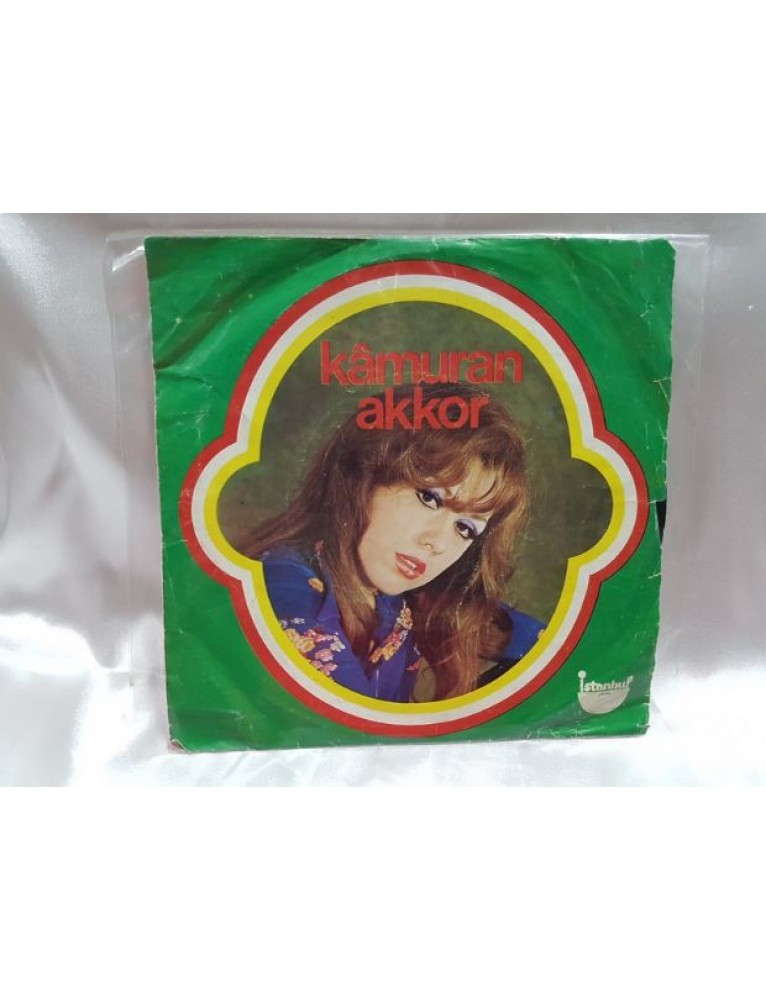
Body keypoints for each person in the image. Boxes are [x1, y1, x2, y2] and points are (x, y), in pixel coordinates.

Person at [240, 384, 544, 702]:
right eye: (429, 498)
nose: (437, 542)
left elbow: (551, 649)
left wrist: (486, 629)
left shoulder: (394, 596)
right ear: (364, 475)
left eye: (465, 528)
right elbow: (358, 732)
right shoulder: (286, 591)